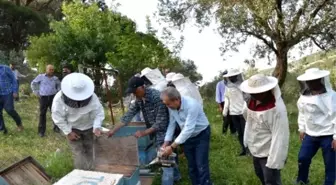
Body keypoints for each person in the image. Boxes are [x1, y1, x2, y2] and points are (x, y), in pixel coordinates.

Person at [107, 77, 181, 185]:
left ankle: (169, 181)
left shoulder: (157, 97)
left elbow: (161, 122)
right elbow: (129, 115)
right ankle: (177, 177)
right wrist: (113, 130)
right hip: (155, 132)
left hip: (165, 133)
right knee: (168, 158)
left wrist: (143, 133)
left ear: (142, 87)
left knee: (165, 162)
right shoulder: (139, 99)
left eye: (135, 91)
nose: (134, 94)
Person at [241, 74, 289, 185]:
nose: (253, 95)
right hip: (255, 148)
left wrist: (275, 159)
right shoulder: (250, 102)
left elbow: (280, 136)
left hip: (269, 153)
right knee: (260, 175)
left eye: (257, 92)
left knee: (271, 181)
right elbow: (248, 119)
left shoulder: (277, 109)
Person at [51, 73, 104, 170]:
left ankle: (94, 173)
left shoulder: (92, 97)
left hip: (89, 127)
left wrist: (97, 126)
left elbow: (99, 113)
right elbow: (57, 117)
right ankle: (81, 175)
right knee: (79, 153)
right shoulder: (59, 99)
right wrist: (68, 132)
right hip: (73, 129)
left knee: (91, 150)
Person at [161, 87, 212, 185]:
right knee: (192, 165)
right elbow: (171, 125)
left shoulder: (191, 105)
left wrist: (172, 147)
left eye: (168, 104)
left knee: (201, 164)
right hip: (187, 137)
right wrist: (166, 142)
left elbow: (189, 129)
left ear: (176, 99)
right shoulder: (171, 107)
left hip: (201, 134)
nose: (167, 106)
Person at [295, 68, 336, 185]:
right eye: (309, 81)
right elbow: (302, 113)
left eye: (313, 81)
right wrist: (302, 128)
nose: (310, 83)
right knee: (303, 158)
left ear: (320, 80)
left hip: (328, 135)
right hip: (310, 134)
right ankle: (302, 180)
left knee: (330, 163)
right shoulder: (303, 97)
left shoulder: (332, 96)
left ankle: (329, 183)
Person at [223, 68, 248, 156]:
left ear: (237, 76)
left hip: (243, 112)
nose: (231, 78)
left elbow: (247, 98)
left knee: (246, 131)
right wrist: (225, 109)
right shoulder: (228, 87)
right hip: (233, 113)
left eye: (233, 76)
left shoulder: (243, 85)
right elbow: (227, 98)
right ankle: (243, 149)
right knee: (239, 132)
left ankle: (249, 149)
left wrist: (245, 107)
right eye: (230, 76)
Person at [31, 64, 61, 137]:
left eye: (52, 70)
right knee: (42, 114)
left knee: (54, 112)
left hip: (53, 97)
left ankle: (56, 127)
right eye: (50, 69)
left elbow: (59, 86)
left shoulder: (55, 78)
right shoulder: (41, 77)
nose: (51, 71)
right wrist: (36, 92)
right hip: (43, 97)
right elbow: (33, 83)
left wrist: (58, 93)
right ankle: (41, 131)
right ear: (46, 69)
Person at [0, 65, 23, 134]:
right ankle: (2, 129)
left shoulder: (5, 68)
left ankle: (19, 124)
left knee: (9, 109)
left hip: (7, 92)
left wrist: (15, 91)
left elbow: (14, 79)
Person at [216, 70, 236, 135]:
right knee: (226, 119)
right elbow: (218, 95)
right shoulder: (219, 84)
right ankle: (224, 133)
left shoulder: (231, 83)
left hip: (232, 102)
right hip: (224, 103)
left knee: (233, 117)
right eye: (224, 75)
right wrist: (220, 106)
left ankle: (233, 132)